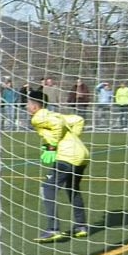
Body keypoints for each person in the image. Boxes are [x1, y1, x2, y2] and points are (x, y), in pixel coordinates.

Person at [27, 97, 89, 242]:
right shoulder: (56, 114)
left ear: (35, 107)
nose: (26, 107)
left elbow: (56, 125)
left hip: (67, 156)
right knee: (72, 189)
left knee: (47, 189)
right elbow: (78, 119)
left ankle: (53, 229)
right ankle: (81, 226)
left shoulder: (37, 118)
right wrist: (73, 139)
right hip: (82, 155)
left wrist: (53, 145)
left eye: (28, 104)